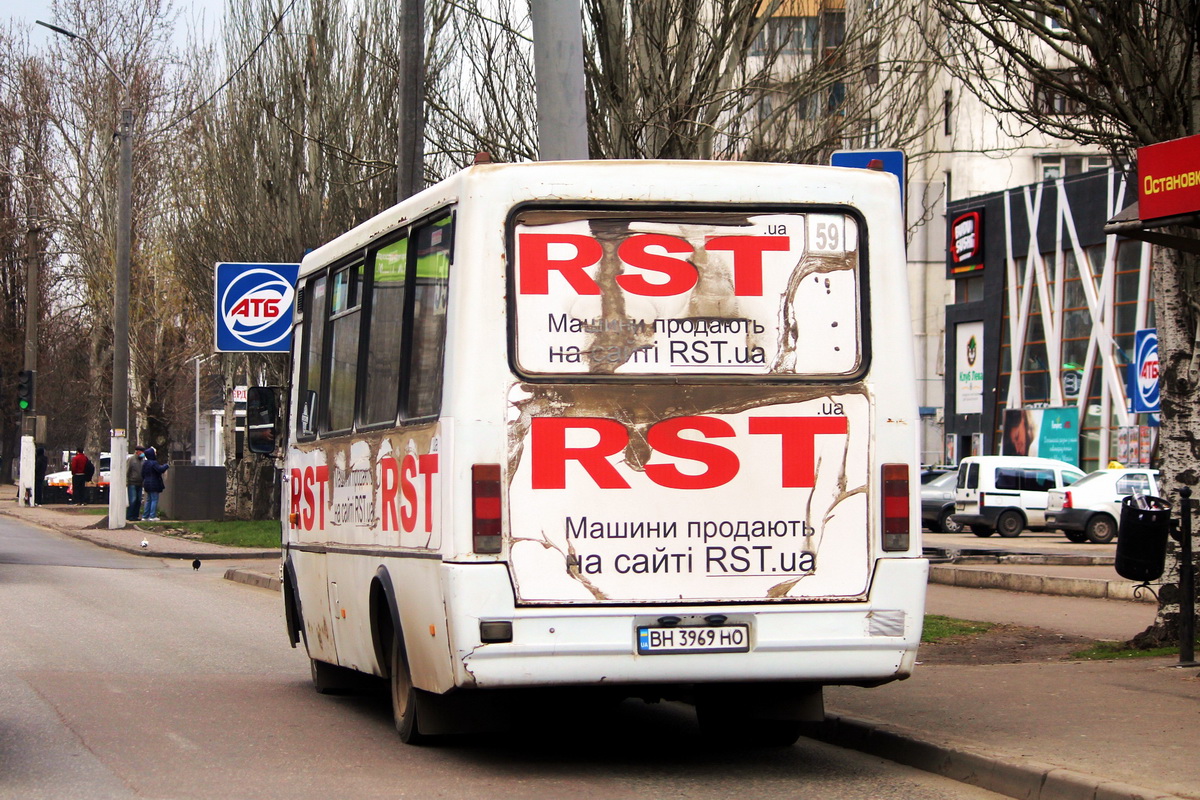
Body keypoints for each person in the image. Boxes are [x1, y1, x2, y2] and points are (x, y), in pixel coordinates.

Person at [141, 446, 169, 521]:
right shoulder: (153, 463)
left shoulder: (145, 463)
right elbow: (160, 469)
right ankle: (152, 516)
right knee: (154, 499)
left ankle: (145, 516)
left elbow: (142, 474)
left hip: (146, 483)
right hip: (154, 483)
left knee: (148, 500)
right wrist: (166, 465)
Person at [126, 445, 146, 521]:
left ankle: (135, 515)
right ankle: (130, 515)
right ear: (137, 451)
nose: (142, 453)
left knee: (138, 500)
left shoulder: (142, 460)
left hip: (140, 483)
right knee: (133, 500)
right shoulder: (131, 459)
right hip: (132, 482)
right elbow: (127, 470)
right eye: (141, 452)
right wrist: (127, 481)